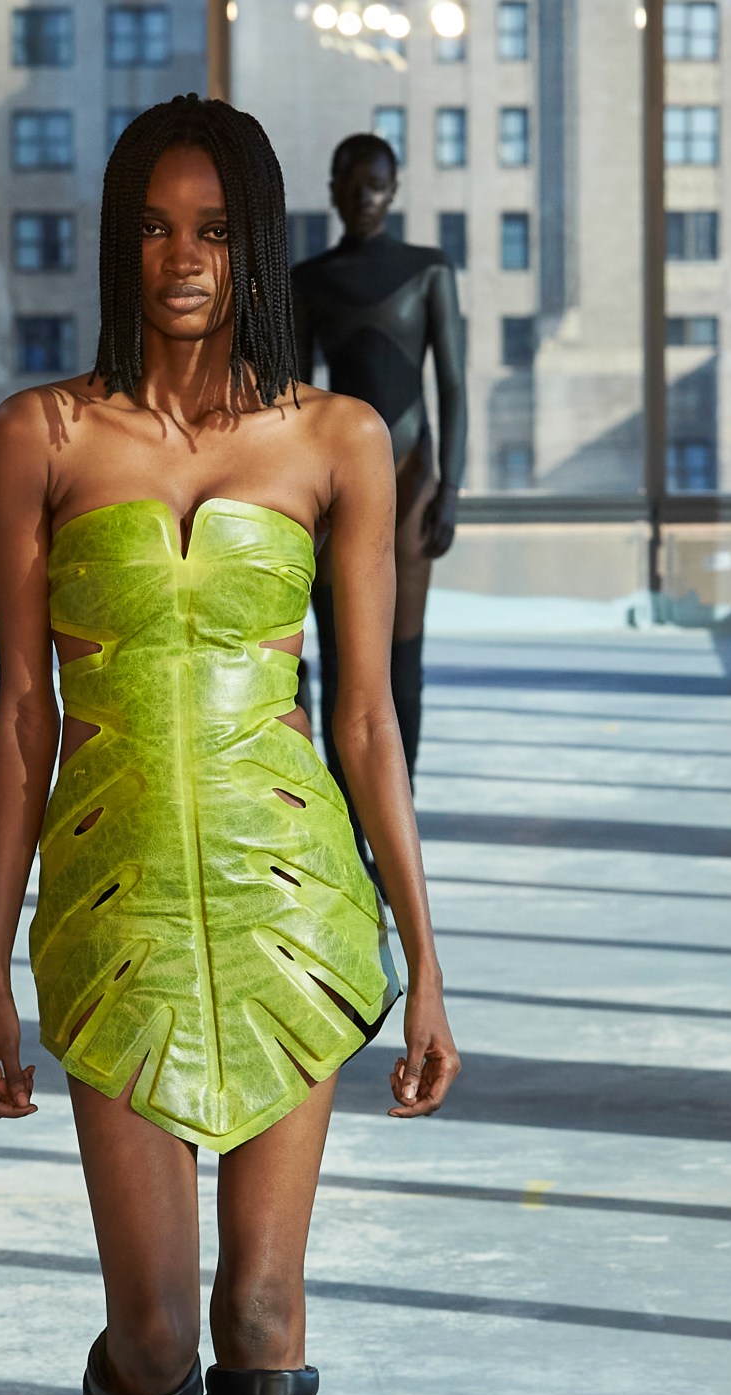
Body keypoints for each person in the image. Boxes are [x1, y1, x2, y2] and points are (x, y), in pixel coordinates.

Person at [0, 95, 459, 1395]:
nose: (181, 261)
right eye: (154, 229)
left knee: (261, 1305)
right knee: (154, 1329)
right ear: (122, 242)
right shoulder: (39, 436)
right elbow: (23, 711)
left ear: (254, 243)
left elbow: (363, 717)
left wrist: (422, 951)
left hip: (282, 897)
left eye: (210, 231)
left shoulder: (336, 439)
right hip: (103, 902)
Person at [292, 133, 467, 854]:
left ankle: (397, 826)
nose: (363, 197)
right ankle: (348, 842)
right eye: (351, 184)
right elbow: (293, 405)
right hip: (334, 495)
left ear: (394, 190)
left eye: (376, 185)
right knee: (340, 664)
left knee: (400, 663)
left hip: (411, 484)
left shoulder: (428, 271)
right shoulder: (307, 280)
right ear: (332, 188)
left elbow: (452, 386)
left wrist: (451, 486)